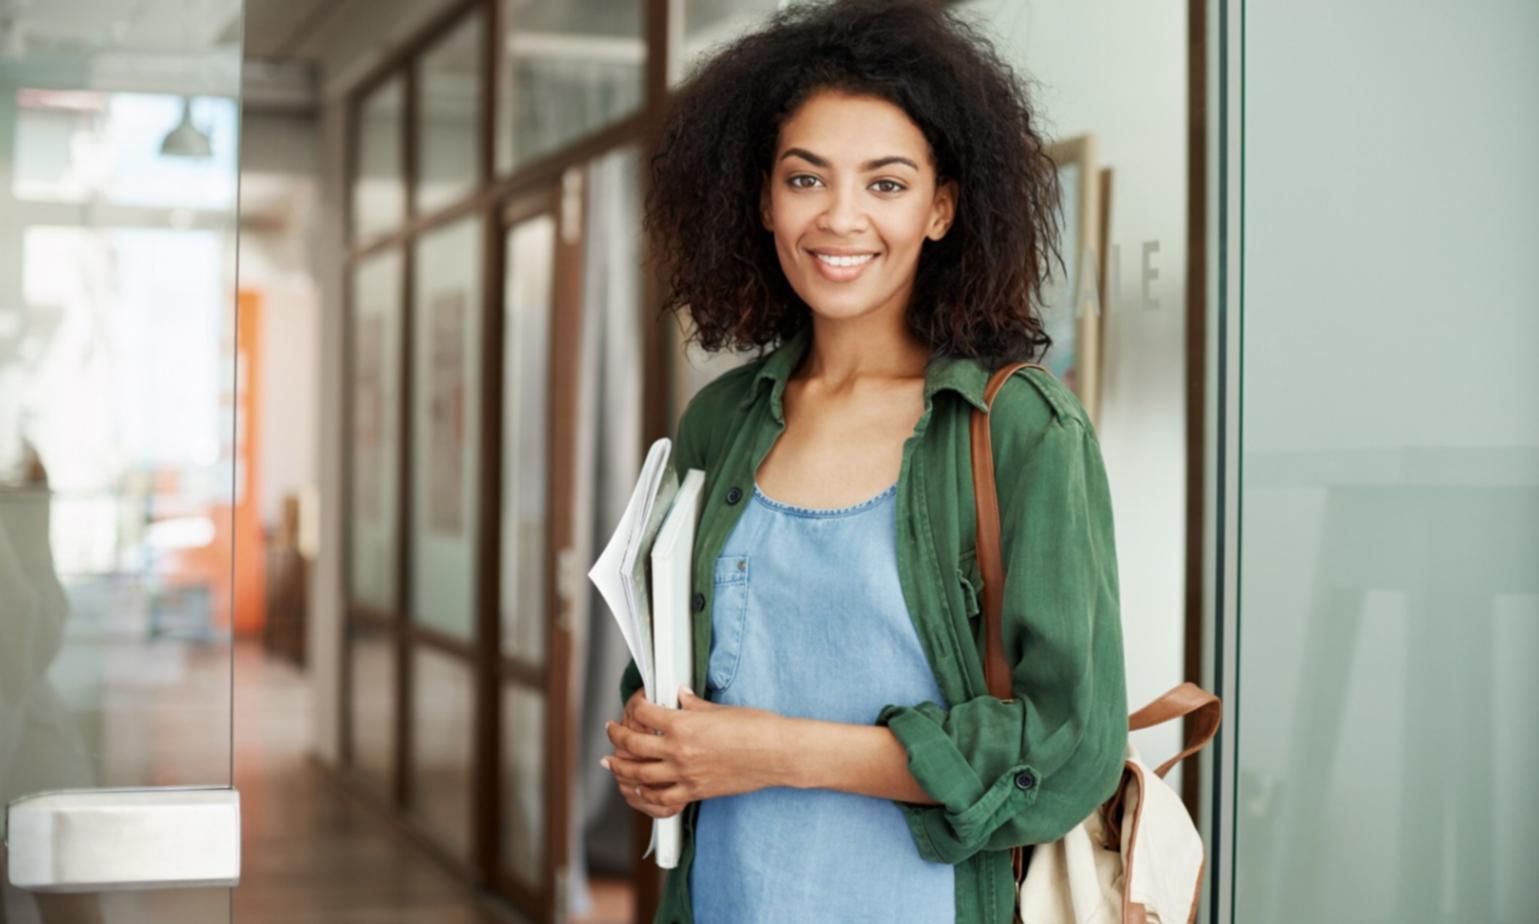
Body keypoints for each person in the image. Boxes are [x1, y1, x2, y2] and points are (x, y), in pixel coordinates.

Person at [602, 2, 1128, 921]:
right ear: (761, 198)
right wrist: (656, 751)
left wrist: (770, 751)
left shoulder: (1019, 429)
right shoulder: (718, 422)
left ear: (941, 208)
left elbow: (1069, 749)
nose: (839, 218)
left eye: (885, 185)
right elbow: (669, 670)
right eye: (805, 179)